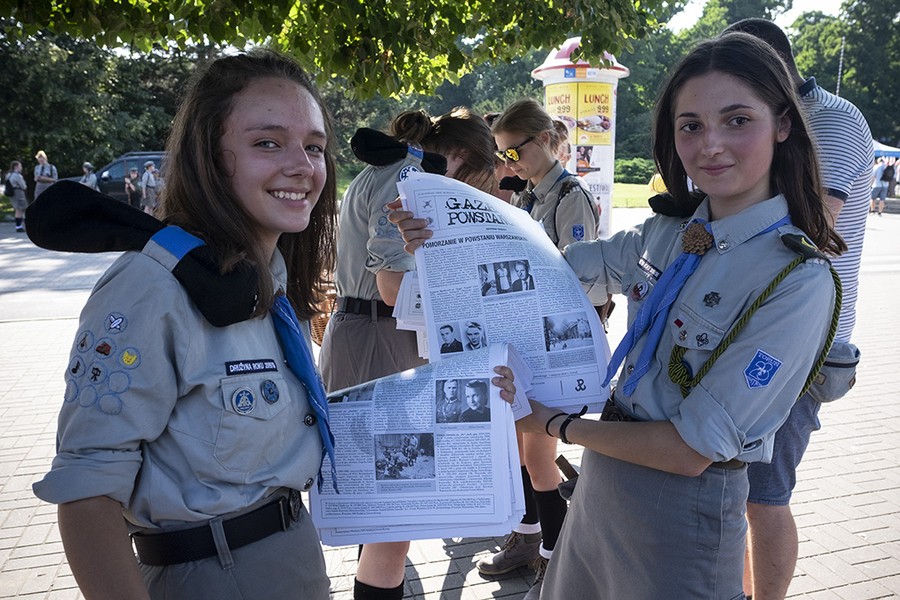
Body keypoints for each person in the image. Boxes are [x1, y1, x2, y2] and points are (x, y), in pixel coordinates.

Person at [390, 32, 844, 599]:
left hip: (682, 515)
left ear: (782, 124)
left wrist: (553, 424)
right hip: (604, 486)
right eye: (691, 126)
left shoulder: (796, 279)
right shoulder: (668, 232)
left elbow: (691, 449)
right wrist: (445, 246)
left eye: (736, 120)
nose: (711, 146)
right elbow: (546, 272)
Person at [31, 49, 343, 600]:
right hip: (211, 575)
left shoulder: (265, 276)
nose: (303, 165)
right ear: (210, 157)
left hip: (295, 552)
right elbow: (87, 493)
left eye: (314, 147)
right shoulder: (151, 288)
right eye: (267, 142)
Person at [317, 106, 497, 600]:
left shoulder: (397, 169)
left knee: (384, 516)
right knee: (395, 519)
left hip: (367, 334)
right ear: (460, 156)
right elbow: (394, 288)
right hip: (381, 338)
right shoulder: (412, 174)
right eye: (479, 179)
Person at [722, 18, 873, 600]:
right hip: (750, 329)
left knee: (763, 494)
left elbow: (813, 225)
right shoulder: (772, 118)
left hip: (800, 338)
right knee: (735, 492)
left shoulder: (830, 120)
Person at [478, 97, 603, 598]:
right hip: (526, 338)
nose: (511, 163)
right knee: (521, 450)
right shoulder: (529, 195)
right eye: (503, 154)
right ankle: (530, 539)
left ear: (548, 141)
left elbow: (580, 277)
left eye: (516, 151)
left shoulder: (569, 196)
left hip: (558, 342)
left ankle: (555, 558)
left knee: (538, 453)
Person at [5, 160, 28, 232]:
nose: (21, 168)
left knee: (17, 209)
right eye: (20, 166)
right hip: (18, 192)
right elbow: (24, 186)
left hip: (11, 193)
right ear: (16, 166)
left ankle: (18, 226)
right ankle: (20, 226)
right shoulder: (17, 176)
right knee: (21, 209)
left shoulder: (8, 175)